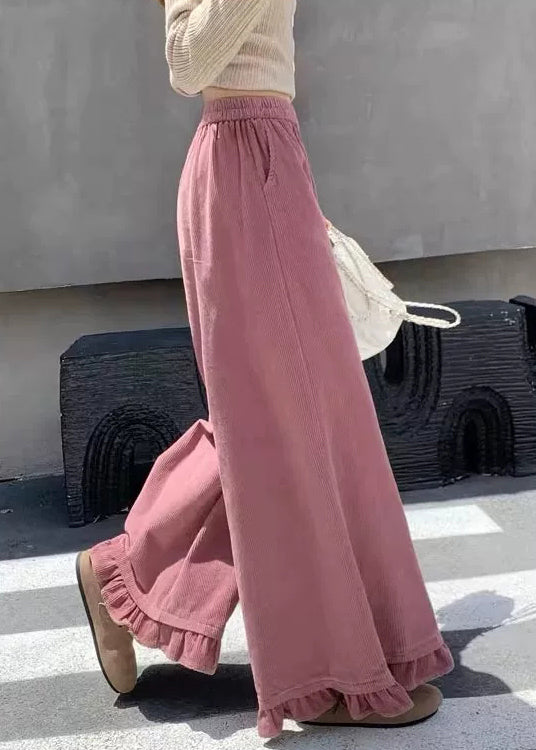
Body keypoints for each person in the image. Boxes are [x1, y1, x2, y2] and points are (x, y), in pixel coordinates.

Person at [76, 0, 453, 738]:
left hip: (270, 155)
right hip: (240, 161)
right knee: (282, 422)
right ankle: (328, 670)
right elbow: (188, 63)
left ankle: (124, 572)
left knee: (298, 420)